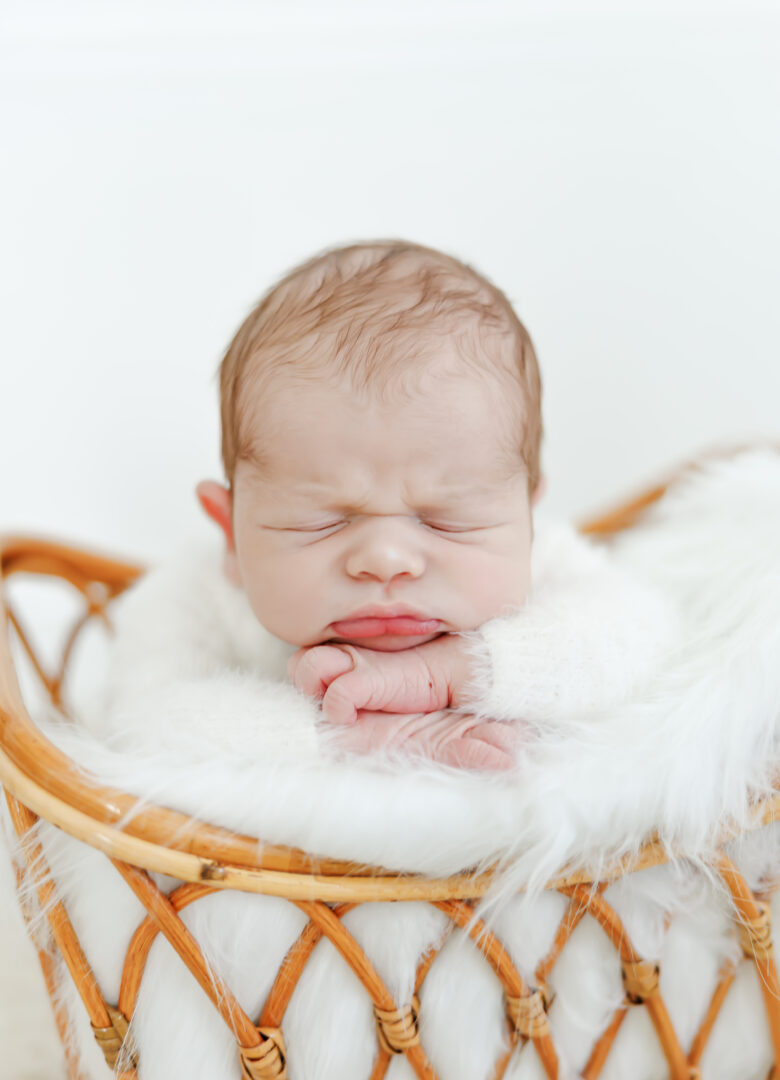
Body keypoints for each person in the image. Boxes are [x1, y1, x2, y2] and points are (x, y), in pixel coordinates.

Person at [100, 239, 677, 771]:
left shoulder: (545, 565)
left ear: (525, 521)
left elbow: (639, 640)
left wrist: (444, 676)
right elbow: (143, 723)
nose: (385, 559)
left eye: (444, 520)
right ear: (230, 533)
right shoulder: (196, 596)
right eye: (324, 522)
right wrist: (362, 737)